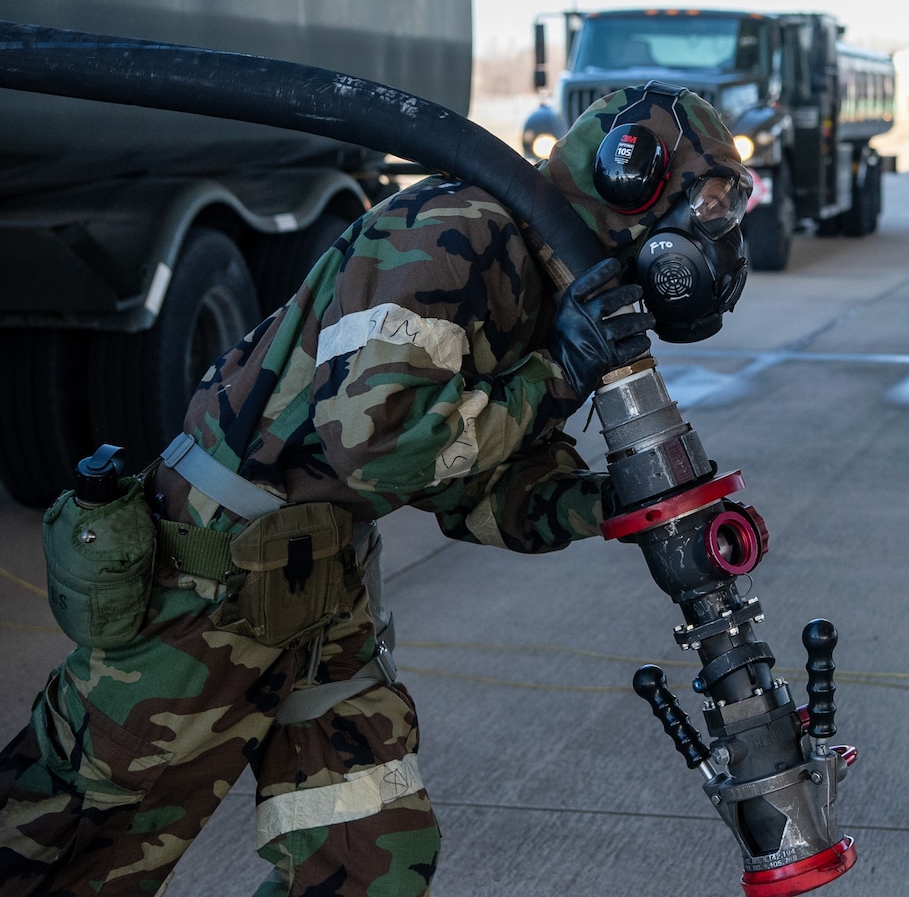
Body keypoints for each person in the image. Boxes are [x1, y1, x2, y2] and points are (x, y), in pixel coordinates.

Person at [0, 83, 751, 897]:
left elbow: (473, 490)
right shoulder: (455, 233)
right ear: (629, 174)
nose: (710, 231)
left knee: (372, 862)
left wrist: (616, 503)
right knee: (71, 841)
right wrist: (560, 374)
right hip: (208, 580)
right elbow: (378, 449)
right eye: (704, 200)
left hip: (320, 587)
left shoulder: (550, 281)